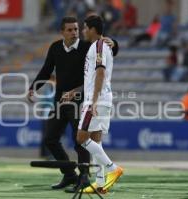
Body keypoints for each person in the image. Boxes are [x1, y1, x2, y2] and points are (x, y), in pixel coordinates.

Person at [27, 16, 119, 191]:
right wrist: (33, 87)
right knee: (50, 138)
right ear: (62, 32)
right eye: (70, 30)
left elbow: (107, 51)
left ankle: (85, 178)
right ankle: (70, 174)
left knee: (81, 140)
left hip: (81, 99)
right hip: (60, 100)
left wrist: (114, 42)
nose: (74, 32)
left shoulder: (87, 46)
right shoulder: (55, 48)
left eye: (77, 29)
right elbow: (46, 70)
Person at [76, 15, 123, 194]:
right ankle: (101, 183)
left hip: (97, 99)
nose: (83, 31)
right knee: (96, 140)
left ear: (93, 29)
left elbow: (101, 72)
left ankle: (113, 168)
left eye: (85, 27)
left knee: (81, 138)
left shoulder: (98, 45)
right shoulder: (102, 46)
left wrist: (93, 100)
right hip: (104, 98)